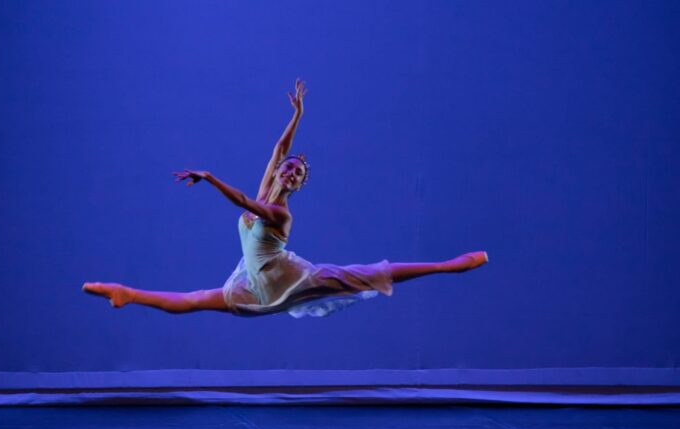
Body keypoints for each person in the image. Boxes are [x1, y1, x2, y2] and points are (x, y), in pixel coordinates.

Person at [83, 78, 488, 317]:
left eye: (297, 173)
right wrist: (298, 116)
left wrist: (208, 177)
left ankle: (447, 266)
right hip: (252, 283)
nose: (290, 170)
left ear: (296, 186)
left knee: (366, 272)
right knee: (193, 300)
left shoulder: (278, 211)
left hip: (289, 281)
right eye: (288, 167)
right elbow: (279, 148)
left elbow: (244, 202)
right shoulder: (270, 180)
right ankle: (127, 293)